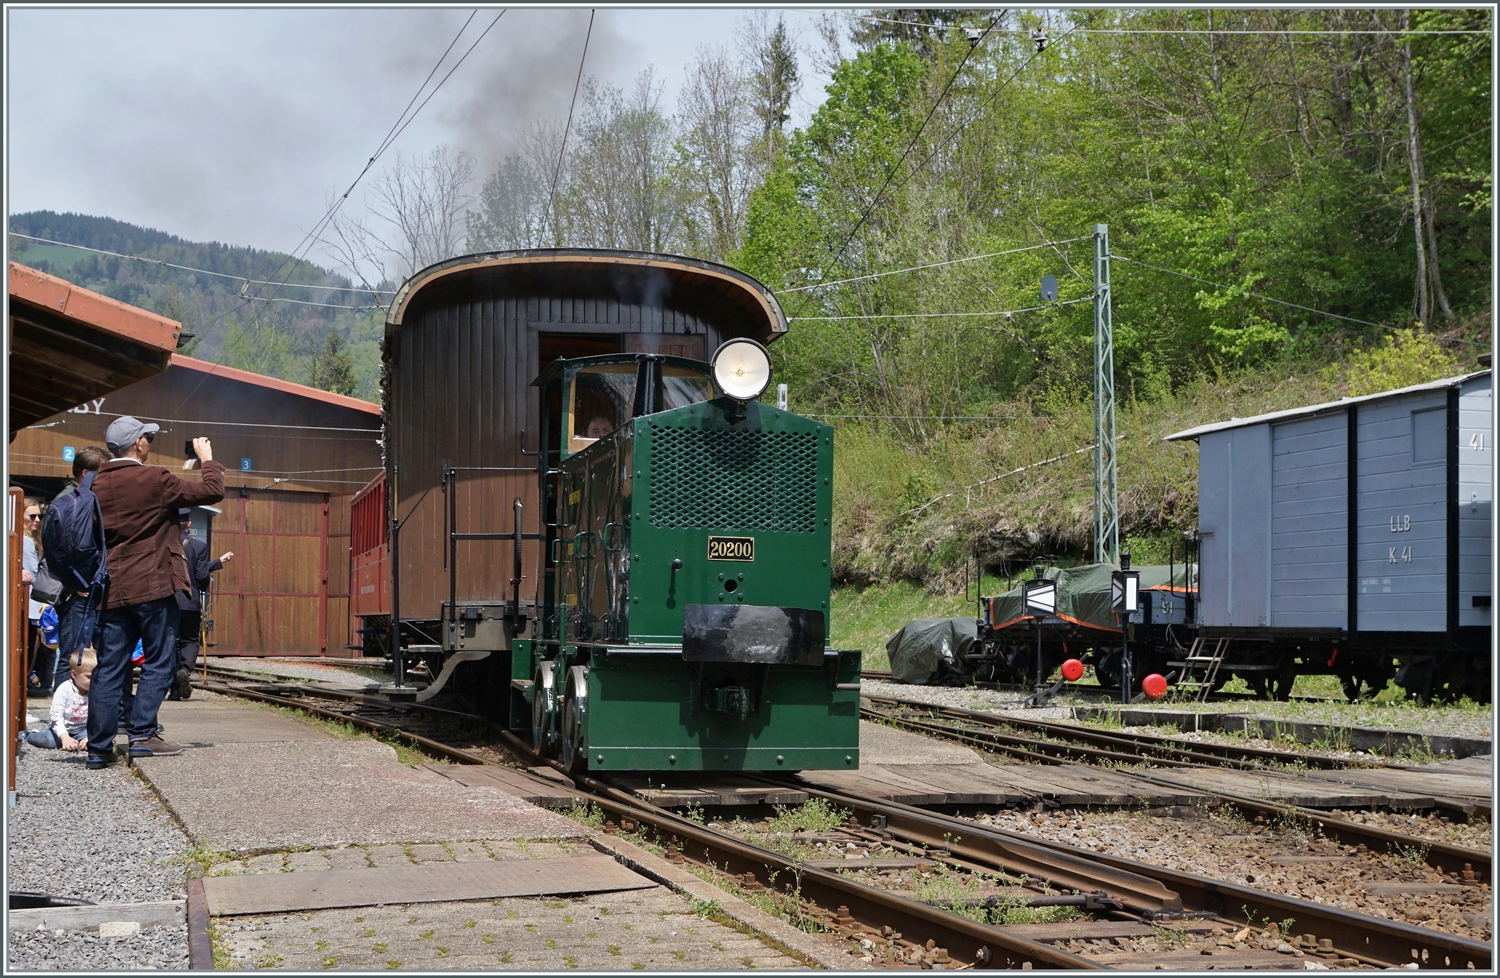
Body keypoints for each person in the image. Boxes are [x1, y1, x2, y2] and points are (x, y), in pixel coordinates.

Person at [87, 417, 224, 768]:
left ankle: (99, 747)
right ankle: (143, 735)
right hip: (153, 585)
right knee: (159, 661)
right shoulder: (154, 478)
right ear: (138, 444)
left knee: (109, 667)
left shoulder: (96, 483)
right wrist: (207, 458)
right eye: (147, 437)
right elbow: (211, 491)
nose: (149, 441)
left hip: (112, 589)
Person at [51, 445, 111, 692]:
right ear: (86, 473)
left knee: (80, 655)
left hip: (84, 589)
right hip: (79, 593)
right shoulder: (72, 503)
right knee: (74, 656)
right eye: (102, 473)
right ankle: (62, 719)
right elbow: (60, 551)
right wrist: (76, 583)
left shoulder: (77, 500)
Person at [171, 510, 233, 700]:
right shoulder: (199, 546)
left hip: (166, 602)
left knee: (170, 642)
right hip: (189, 601)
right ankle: (184, 669)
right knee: (190, 640)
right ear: (188, 524)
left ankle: (173, 689)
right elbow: (202, 576)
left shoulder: (162, 545)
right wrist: (204, 585)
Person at [22, 647, 96, 752]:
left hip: (83, 729)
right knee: (48, 742)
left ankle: (78, 740)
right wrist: (64, 736)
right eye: (89, 677)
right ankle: (29, 734)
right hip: (61, 728)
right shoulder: (64, 689)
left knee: (95, 741)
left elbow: (98, 717)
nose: (93, 680)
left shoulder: (96, 690)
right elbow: (56, 717)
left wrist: (90, 736)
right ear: (74, 674)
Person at [22, 498, 47, 695]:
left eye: (39, 515)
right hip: (29, 606)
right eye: (32, 516)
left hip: (30, 606)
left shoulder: (30, 540)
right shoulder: (25, 541)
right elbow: (34, 574)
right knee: (28, 650)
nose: (37, 520)